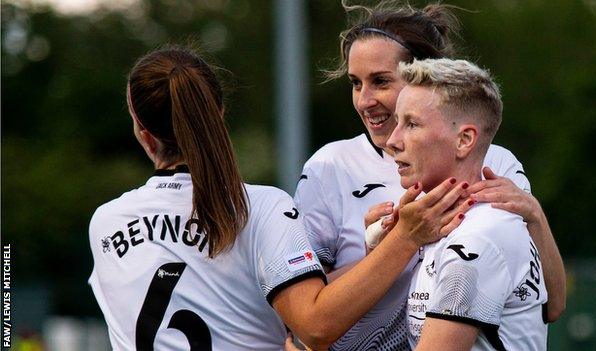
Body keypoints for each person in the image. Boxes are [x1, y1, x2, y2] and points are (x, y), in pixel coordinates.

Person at [87, 46, 470, 351]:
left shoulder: (105, 223)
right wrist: (406, 237)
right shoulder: (260, 207)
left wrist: (375, 254)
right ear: (218, 113)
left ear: (142, 132)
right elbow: (316, 326)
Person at [294, 2, 565, 350]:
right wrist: (388, 247)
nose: (364, 100)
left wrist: (535, 216)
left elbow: (549, 305)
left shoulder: (494, 165)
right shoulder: (328, 166)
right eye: (355, 83)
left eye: (380, 81)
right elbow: (304, 319)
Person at [388, 58, 548, 350]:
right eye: (397, 122)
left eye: (411, 124)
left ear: (464, 140)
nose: (392, 140)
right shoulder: (446, 223)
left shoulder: (479, 235)